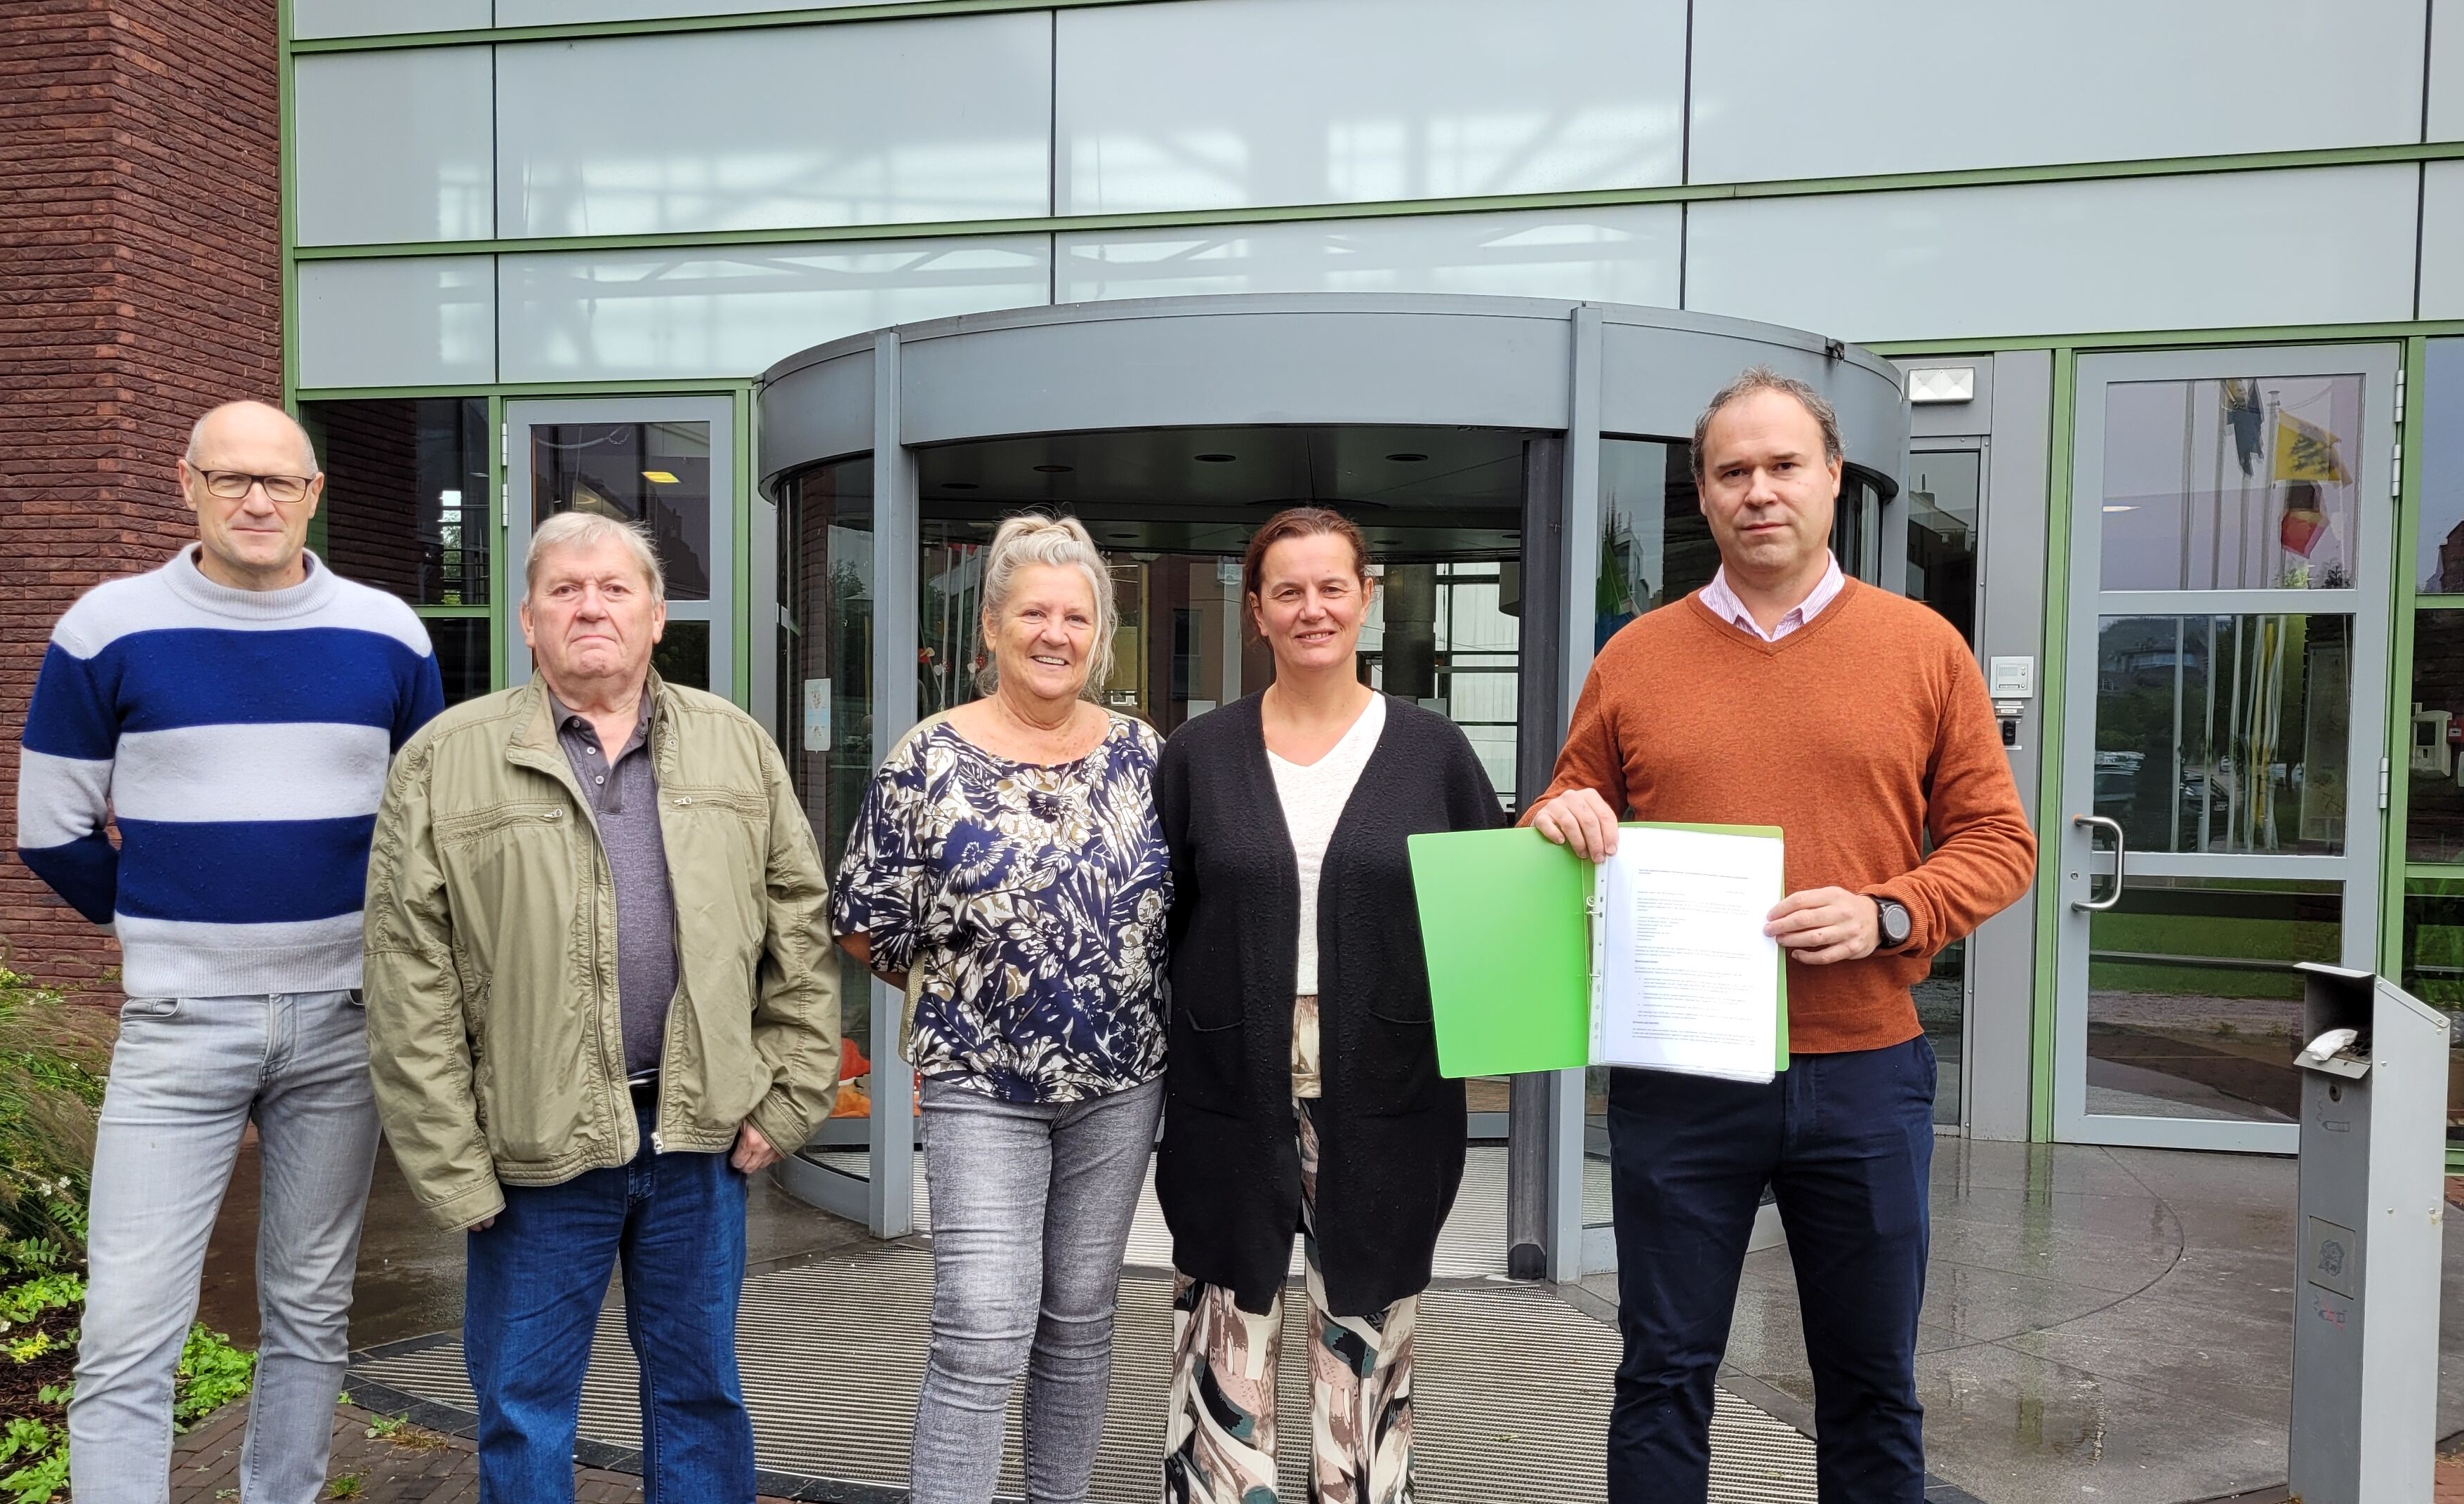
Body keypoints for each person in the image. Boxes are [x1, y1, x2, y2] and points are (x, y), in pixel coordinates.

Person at [1523, 369, 2036, 1503]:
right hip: (1681, 1076)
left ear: (1832, 478)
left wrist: (1887, 910)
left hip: (1864, 1074)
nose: (1758, 490)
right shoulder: (1633, 657)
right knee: (1661, 1374)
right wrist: (1557, 818)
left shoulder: (1922, 648)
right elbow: (1562, 813)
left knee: (1871, 1385)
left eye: (1783, 465)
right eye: (1733, 471)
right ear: (1704, 494)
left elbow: (2000, 841)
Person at [363, 510, 839, 1504]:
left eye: (615, 588)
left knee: (700, 1395)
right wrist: (451, 1163)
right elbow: (409, 978)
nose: (591, 607)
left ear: (656, 616)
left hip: (698, 1139)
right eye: (565, 590)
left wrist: (791, 1090)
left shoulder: (734, 747)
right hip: (533, 1147)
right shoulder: (446, 760)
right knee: (523, 1406)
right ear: (528, 619)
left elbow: (799, 926)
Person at [15, 400, 444, 1504]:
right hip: (177, 1026)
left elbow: (426, 831)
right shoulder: (105, 628)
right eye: (230, 478)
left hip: (343, 1024)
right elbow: (50, 829)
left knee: (310, 1309)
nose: (257, 500)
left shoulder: (389, 635)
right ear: (187, 484)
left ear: (313, 494)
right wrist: (159, 925)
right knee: (126, 1325)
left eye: (279, 480)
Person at [1153, 506, 1504, 1504]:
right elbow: (1159, 922)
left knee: (1367, 1332)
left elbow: (1486, 913)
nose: (1312, 609)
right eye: (1288, 591)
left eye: (1331, 587)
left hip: (1387, 1077)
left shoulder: (1433, 753)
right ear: (1257, 609)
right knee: (1225, 1321)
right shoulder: (1199, 754)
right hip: (1231, 1076)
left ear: (1367, 597)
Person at [829, 513, 1170, 1504]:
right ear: (990, 626)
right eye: (1033, 612)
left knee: (1079, 1317)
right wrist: (971, 988)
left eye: (1076, 616)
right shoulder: (927, 758)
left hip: (1122, 1085)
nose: (1055, 633)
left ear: (1099, 634)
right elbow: (862, 921)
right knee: (981, 1325)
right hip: (979, 1084)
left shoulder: (1147, 756)